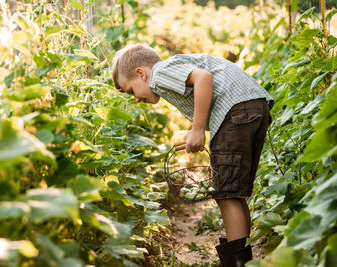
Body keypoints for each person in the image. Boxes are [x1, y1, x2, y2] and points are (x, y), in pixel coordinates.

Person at [111, 44, 273, 267]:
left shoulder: (158, 74)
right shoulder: (170, 69)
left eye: (131, 91)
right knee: (234, 193)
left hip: (235, 112)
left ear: (141, 73)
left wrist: (197, 129)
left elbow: (204, 78)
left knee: (226, 194)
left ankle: (237, 264)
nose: (136, 99)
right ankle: (244, 260)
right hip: (254, 107)